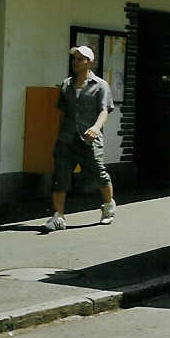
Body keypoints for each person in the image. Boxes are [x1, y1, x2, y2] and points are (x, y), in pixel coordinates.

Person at [43, 46, 117, 231]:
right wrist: (60, 135)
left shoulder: (100, 85)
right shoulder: (66, 85)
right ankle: (58, 216)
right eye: (74, 59)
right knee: (60, 176)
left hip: (89, 139)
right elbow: (63, 113)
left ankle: (108, 207)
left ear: (89, 62)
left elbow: (104, 111)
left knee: (98, 173)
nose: (75, 62)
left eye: (80, 59)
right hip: (67, 138)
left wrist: (96, 127)